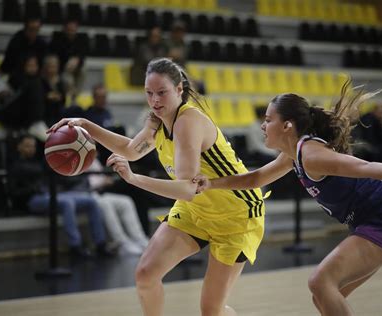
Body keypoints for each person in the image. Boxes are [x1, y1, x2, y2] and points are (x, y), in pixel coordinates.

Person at [194, 82, 382, 316]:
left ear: (287, 126)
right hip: (371, 222)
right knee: (323, 296)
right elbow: (255, 179)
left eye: (268, 120)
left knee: (320, 282)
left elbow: (364, 167)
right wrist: (211, 184)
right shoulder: (293, 154)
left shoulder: (312, 155)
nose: (262, 125)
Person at [48, 57, 265, 316]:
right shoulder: (157, 121)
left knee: (211, 311)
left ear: (179, 90)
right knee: (146, 274)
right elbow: (130, 150)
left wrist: (135, 179)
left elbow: (188, 188)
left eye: (161, 92)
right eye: (149, 93)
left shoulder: (188, 121)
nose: (155, 100)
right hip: (197, 210)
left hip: (235, 212)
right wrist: (85, 125)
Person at [9, 134, 116, 259]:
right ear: (19, 147)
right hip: (32, 199)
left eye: (32, 146)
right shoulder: (14, 166)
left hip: (53, 194)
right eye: (27, 146)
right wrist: (34, 189)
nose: (31, 149)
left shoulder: (40, 161)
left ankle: (100, 244)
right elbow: (14, 192)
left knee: (91, 201)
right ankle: (75, 246)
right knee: (67, 203)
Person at [88, 158, 149, 256]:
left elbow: (102, 177)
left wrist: (106, 181)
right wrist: (103, 182)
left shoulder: (94, 159)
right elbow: (86, 183)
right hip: (88, 193)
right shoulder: (78, 158)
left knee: (126, 201)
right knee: (105, 204)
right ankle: (121, 242)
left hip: (101, 192)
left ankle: (140, 239)